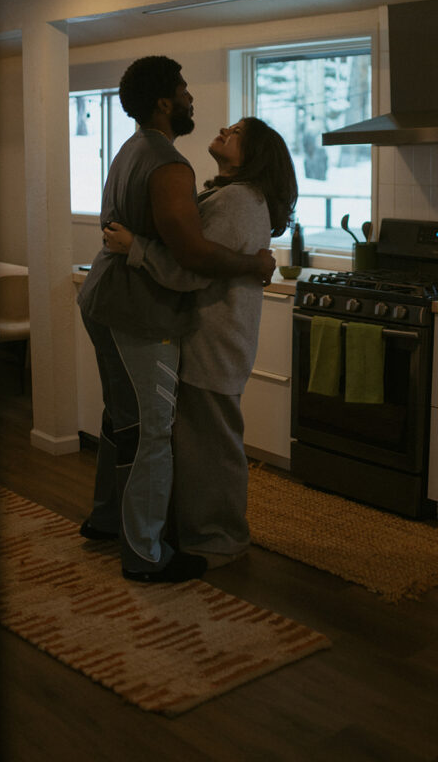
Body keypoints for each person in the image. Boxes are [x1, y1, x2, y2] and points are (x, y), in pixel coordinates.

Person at [77, 57, 276, 584]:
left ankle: (105, 520)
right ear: (165, 101)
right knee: (150, 433)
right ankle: (145, 553)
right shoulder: (170, 164)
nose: (193, 99)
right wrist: (257, 264)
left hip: (103, 298)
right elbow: (194, 257)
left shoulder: (131, 148)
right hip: (137, 310)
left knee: (121, 419)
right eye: (185, 89)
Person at [103, 116, 297, 569]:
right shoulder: (229, 195)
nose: (225, 131)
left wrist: (134, 247)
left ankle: (221, 542)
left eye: (237, 134)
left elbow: (190, 269)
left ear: (255, 156)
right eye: (229, 127)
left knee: (213, 449)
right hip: (214, 336)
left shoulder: (237, 201)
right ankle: (201, 535)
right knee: (202, 444)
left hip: (216, 338)